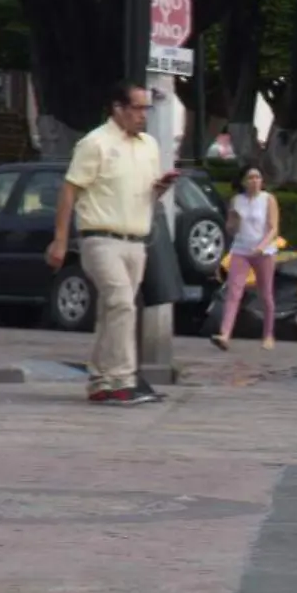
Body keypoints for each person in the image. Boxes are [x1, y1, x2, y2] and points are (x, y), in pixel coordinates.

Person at [47, 82, 177, 405]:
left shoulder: (149, 146)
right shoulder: (96, 143)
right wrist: (60, 240)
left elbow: (145, 191)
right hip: (100, 238)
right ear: (118, 109)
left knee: (113, 311)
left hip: (136, 239)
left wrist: (160, 188)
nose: (143, 116)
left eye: (147, 109)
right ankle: (123, 378)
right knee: (121, 303)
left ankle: (101, 380)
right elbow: (69, 190)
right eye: (137, 108)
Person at [211, 166, 281, 351]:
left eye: (258, 177)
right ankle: (225, 334)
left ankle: (268, 334)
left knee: (266, 294)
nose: (255, 181)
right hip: (241, 249)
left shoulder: (268, 199)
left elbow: (274, 228)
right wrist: (233, 221)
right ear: (243, 181)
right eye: (250, 177)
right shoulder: (237, 200)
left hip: (264, 252)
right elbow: (231, 229)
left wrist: (261, 247)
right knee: (234, 292)